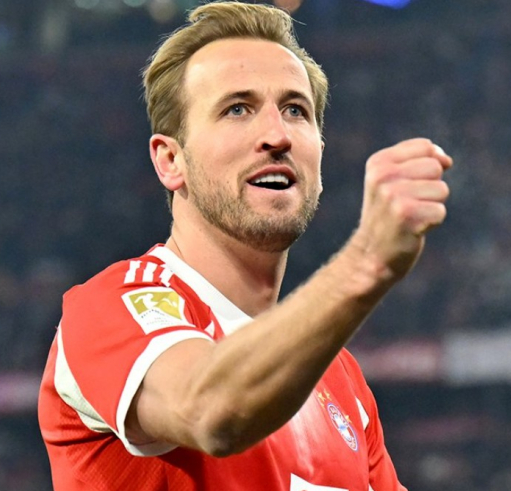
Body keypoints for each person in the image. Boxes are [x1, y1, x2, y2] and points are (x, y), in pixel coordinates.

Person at [37, 2, 452, 490]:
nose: (277, 135)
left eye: (295, 110)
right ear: (170, 160)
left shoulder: (340, 379)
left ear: (320, 153)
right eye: (237, 109)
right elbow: (210, 411)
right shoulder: (109, 306)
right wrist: (366, 263)